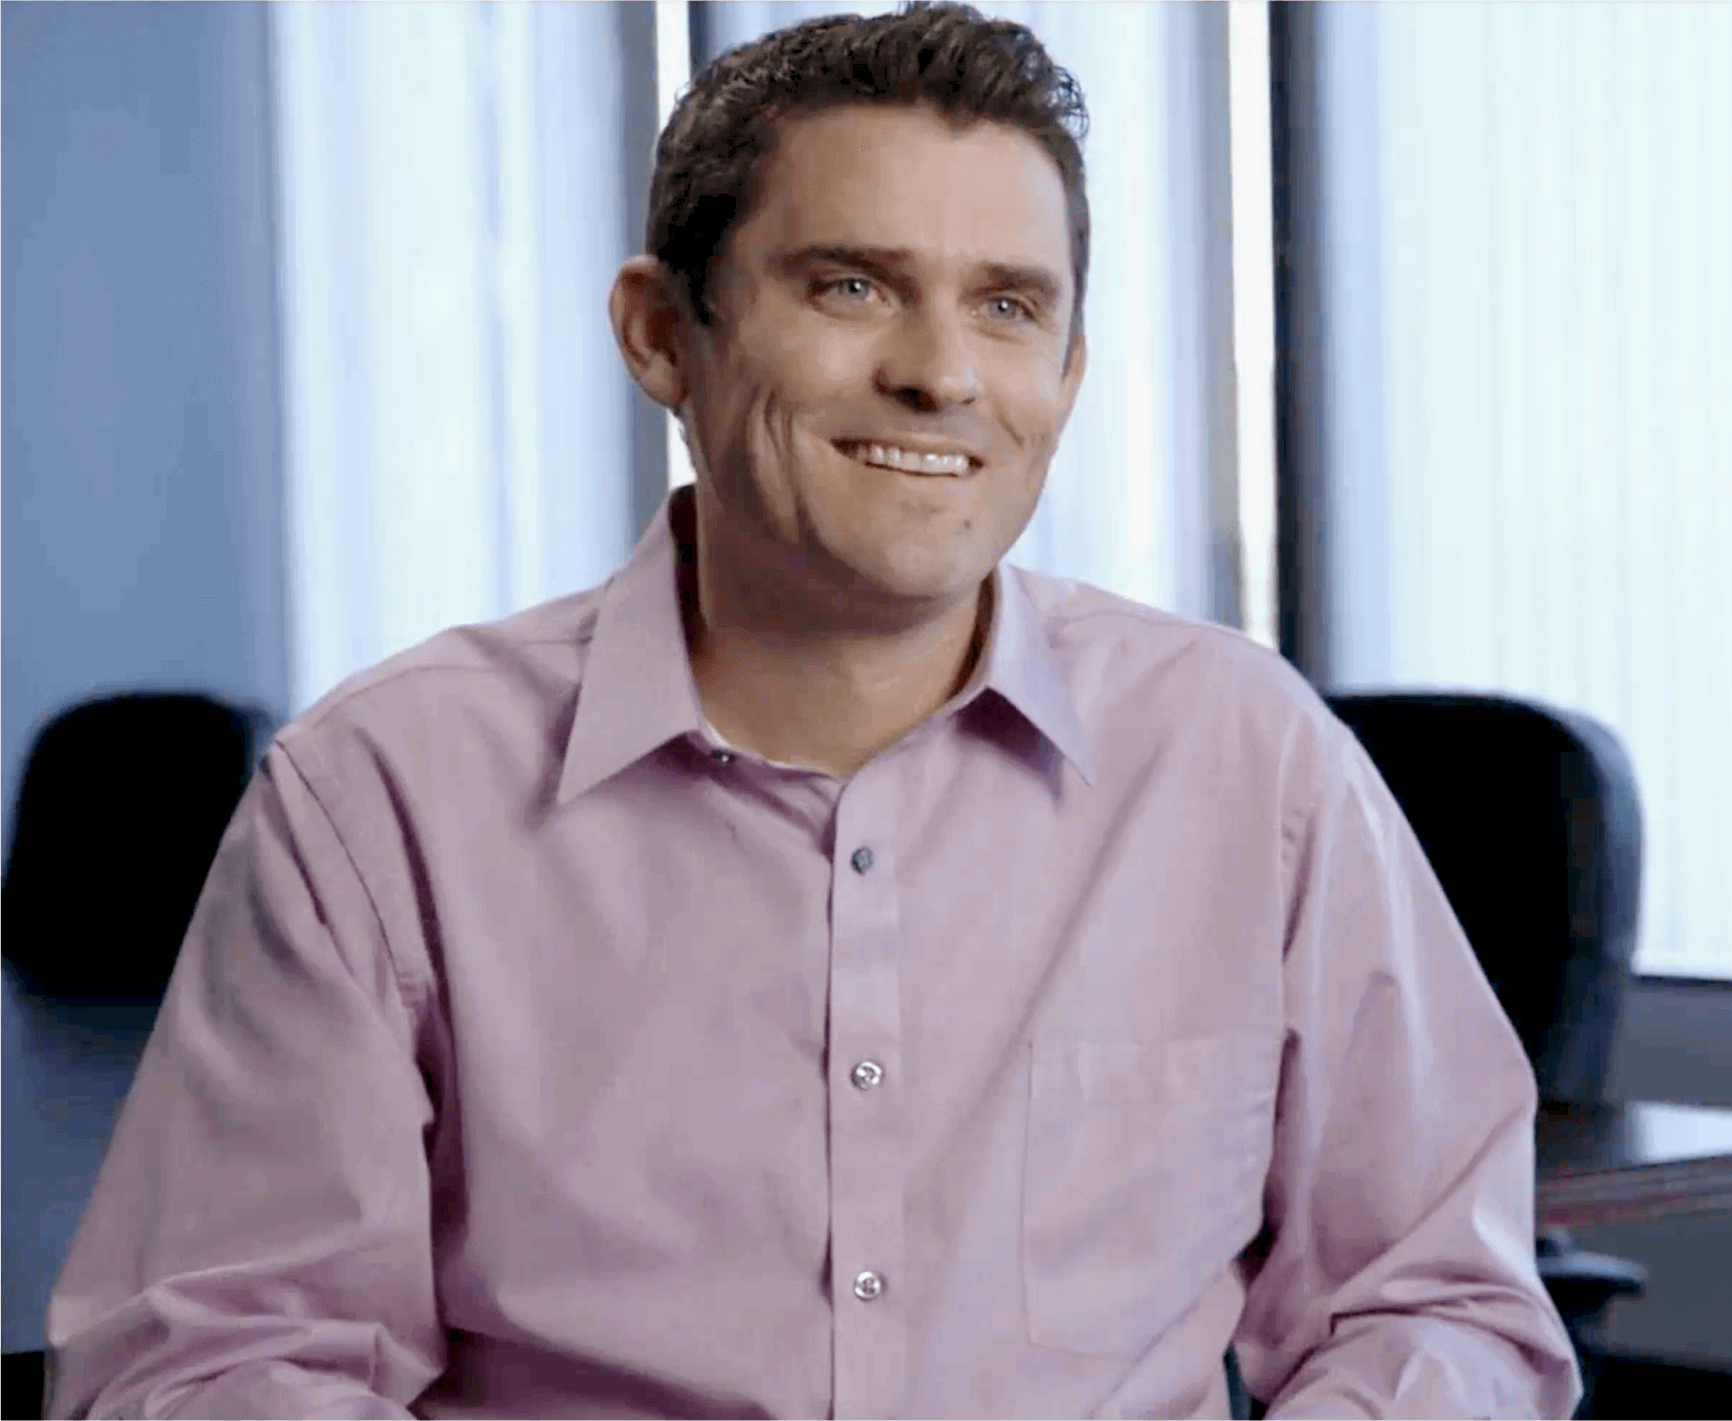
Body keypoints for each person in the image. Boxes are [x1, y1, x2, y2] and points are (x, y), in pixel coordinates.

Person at [45, 4, 1583, 1418]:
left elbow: (1432, 1300)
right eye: (849, 285)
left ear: (1066, 366)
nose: (937, 375)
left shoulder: (1250, 765)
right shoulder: (385, 794)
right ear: (661, 334)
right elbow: (214, 1358)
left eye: (1004, 305)